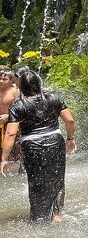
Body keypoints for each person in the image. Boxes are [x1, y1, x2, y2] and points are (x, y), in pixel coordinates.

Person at [0, 67, 76, 222]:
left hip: (32, 146)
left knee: (36, 182)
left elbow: (11, 133)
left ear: (21, 87)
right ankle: (56, 214)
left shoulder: (18, 106)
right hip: (55, 141)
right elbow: (70, 120)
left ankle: (40, 217)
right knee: (57, 179)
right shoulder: (54, 98)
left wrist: (4, 159)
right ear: (39, 84)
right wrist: (70, 139)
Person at [0, 68, 20, 164]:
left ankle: (16, 169)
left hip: (13, 123)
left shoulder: (15, 91)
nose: (1, 81)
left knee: (15, 149)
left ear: (12, 80)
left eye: (4, 79)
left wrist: (8, 116)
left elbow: (21, 109)